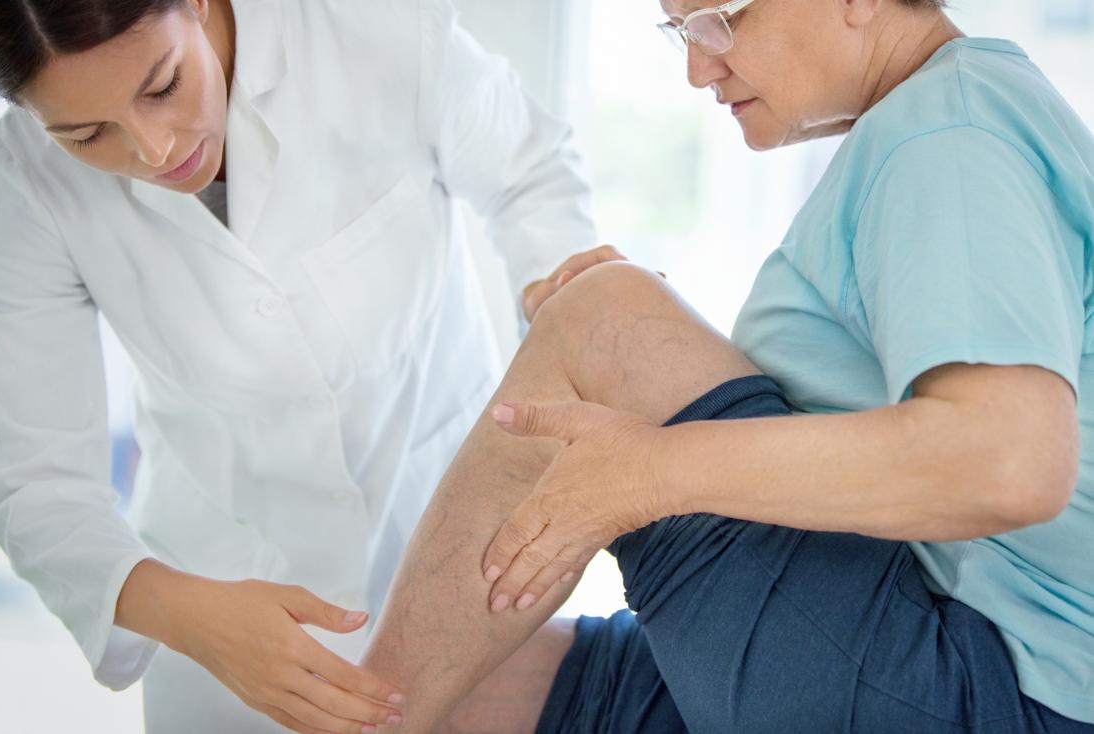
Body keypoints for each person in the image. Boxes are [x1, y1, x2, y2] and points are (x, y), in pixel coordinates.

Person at [353, 0, 1094, 732]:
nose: (697, 67)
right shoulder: (952, 117)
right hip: (941, 638)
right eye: (681, 29)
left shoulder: (946, 136)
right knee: (467, 692)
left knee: (603, 317)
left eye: (719, 19)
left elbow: (1008, 463)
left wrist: (647, 469)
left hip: (993, 682)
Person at [0, 0, 617, 731]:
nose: (156, 149)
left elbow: (528, 176)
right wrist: (188, 616)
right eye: (87, 134)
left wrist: (557, 291)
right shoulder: (25, 183)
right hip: (219, 592)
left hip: (454, 542)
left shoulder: (367, 28)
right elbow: (38, 486)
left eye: (162, 86)